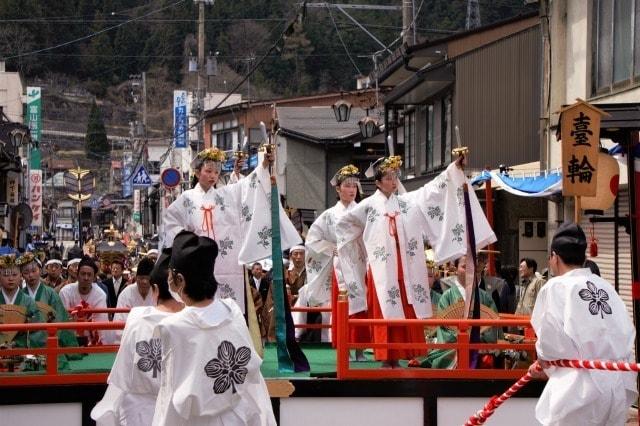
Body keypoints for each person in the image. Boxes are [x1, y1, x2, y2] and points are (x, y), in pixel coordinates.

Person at [336, 155, 495, 368]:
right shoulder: (368, 206)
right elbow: (344, 226)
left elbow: (431, 191)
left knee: (405, 308)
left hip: (406, 269)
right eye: (389, 177)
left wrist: (452, 169)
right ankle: (386, 357)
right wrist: (360, 251)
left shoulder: (406, 202)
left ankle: (400, 354)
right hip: (382, 270)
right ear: (378, 182)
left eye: (395, 176)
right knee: (385, 311)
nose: (393, 181)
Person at [152, 231, 276, 425]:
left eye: (170, 273)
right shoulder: (232, 311)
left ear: (180, 280)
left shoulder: (171, 327)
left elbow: (169, 391)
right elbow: (253, 381)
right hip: (238, 417)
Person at [160, 146, 301, 314]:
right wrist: (188, 243)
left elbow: (247, 186)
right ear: (198, 173)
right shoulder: (186, 199)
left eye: (216, 172)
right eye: (208, 171)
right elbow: (171, 222)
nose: (213, 176)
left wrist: (263, 164)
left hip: (224, 260)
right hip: (196, 259)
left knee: (226, 307)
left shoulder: (225, 195)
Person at [529, 223, 636, 426]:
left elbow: (550, 344)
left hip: (579, 389)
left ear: (555, 256)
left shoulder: (556, 287)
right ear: (584, 257)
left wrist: (544, 361)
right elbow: (626, 332)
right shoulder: (606, 287)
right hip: (616, 386)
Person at [92, 249, 182, 426]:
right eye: (140, 278)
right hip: (172, 405)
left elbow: (121, 376)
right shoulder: (190, 321)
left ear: (154, 287)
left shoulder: (137, 318)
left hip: (146, 405)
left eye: (147, 279)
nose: (143, 282)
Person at [305, 164, 368, 359]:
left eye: (354, 186)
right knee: (343, 306)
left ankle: (359, 349)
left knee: (362, 306)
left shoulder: (363, 210)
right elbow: (312, 239)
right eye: (347, 186)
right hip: (340, 265)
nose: (351, 190)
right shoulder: (329, 215)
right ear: (338, 189)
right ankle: (345, 347)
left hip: (359, 262)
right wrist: (329, 248)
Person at [412, 255, 502, 369]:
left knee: (487, 357)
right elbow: (445, 330)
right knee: (449, 357)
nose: (469, 270)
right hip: (452, 348)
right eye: (464, 266)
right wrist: (464, 339)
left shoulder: (485, 297)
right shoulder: (447, 297)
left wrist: (475, 338)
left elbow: (491, 327)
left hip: (479, 347)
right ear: (456, 268)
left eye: (472, 267)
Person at [17, 253, 79, 357]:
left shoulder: (50, 294)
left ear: (40, 271)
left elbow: (59, 318)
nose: (30, 275)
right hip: (26, 342)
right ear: (22, 275)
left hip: (48, 340)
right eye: (26, 272)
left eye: (34, 271)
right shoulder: (21, 295)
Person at [59, 256, 113, 345]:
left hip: (92, 339)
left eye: (89, 274)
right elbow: (63, 321)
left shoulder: (100, 295)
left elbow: (101, 325)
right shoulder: (65, 292)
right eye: (83, 274)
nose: (86, 278)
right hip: (70, 339)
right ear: (77, 275)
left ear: (94, 277)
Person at [0, 255, 45, 347]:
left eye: (14, 274)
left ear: (21, 276)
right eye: (6, 275)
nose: (10, 279)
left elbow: (36, 331)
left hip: (21, 350)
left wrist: (16, 343)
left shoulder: (28, 301)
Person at [114, 257, 156, 324]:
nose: (144, 282)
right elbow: (120, 320)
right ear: (136, 278)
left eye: (148, 278)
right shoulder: (126, 294)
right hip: (130, 331)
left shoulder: (157, 293)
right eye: (141, 278)